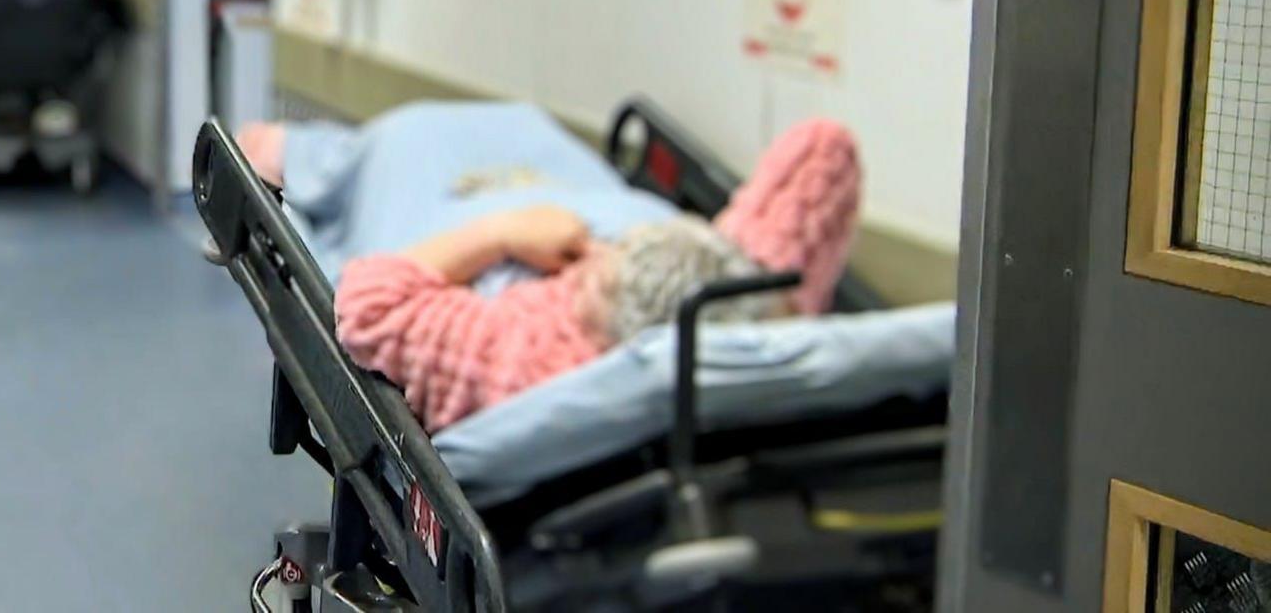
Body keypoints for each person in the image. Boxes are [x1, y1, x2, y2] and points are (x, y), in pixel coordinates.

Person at [242, 115, 862, 430]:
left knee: (394, 144)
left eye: (605, 261)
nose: (601, 252)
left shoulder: (524, 360)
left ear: (600, 299)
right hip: (583, 193)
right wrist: (732, 263)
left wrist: (503, 232)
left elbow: (372, 299)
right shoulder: (758, 293)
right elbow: (824, 145)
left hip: (456, 198)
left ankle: (305, 157)